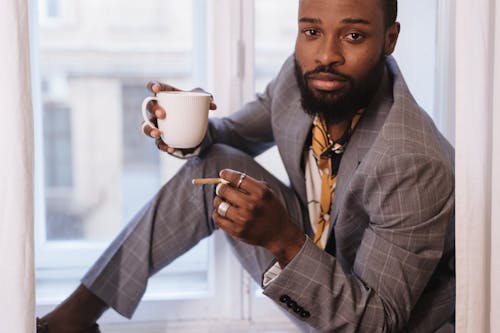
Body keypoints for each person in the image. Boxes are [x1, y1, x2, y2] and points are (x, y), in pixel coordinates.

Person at [37, 0, 455, 332]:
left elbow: (375, 323)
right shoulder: (299, 79)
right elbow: (231, 137)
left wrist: (284, 241)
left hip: (377, 316)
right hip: (320, 267)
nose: (325, 54)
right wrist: (188, 126)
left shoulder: (412, 162)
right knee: (218, 165)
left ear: (389, 39)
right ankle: (74, 318)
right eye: (311, 31)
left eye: (353, 35)